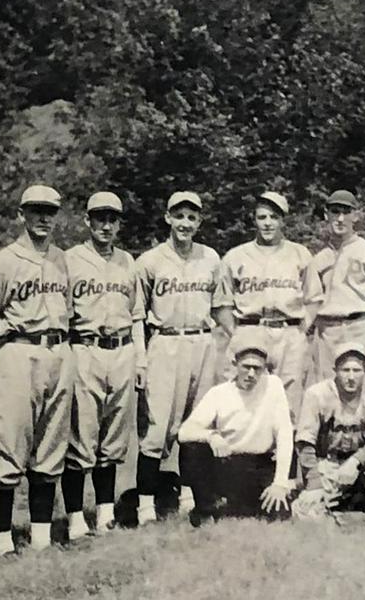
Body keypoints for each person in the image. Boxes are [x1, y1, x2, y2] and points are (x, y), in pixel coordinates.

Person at [0, 185, 74, 556]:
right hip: (18, 350)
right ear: (22, 214)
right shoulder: (3, 262)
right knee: (9, 445)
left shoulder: (62, 259)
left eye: (50, 211)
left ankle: (41, 538)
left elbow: (68, 310)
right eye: (36, 210)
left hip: (58, 350)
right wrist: (1, 366)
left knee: (51, 447)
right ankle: (2, 543)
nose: (43, 218)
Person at [134, 191, 233, 525]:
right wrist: (140, 358)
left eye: (192, 217)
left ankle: (191, 496)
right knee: (157, 426)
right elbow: (137, 315)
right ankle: (145, 505)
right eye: (179, 216)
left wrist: (236, 341)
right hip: (165, 341)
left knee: (198, 422)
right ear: (168, 218)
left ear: (199, 222)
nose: (185, 223)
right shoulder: (149, 261)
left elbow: (221, 307)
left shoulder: (211, 258)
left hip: (202, 342)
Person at [62, 192, 146, 540]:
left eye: (112, 219)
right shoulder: (70, 260)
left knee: (112, 436)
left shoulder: (128, 261)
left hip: (122, 349)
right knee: (81, 434)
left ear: (119, 224)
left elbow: (137, 315)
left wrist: (140, 359)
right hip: (86, 347)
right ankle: (74, 517)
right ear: (88, 221)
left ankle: (105, 513)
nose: (106, 226)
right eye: (100, 218)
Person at [176, 331, 293, 525]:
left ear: (265, 368)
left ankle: (245, 502)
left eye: (257, 368)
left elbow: (284, 433)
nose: (251, 374)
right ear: (235, 364)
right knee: (192, 447)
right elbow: (184, 432)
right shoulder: (219, 393)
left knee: (279, 514)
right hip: (228, 463)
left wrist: (280, 483)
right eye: (246, 367)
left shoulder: (274, 386)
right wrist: (211, 436)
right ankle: (205, 508)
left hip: (259, 463)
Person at [222, 191, 312, 419]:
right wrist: (237, 333)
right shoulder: (236, 256)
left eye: (274, 217)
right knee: (246, 398)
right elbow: (222, 303)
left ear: (283, 220)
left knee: (290, 399)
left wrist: (301, 331)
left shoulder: (299, 254)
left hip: (288, 331)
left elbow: (314, 298)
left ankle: (287, 441)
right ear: (254, 220)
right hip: (251, 328)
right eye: (262, 217)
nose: (268, 223)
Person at [292, 342, 365, 516]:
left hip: (359, 465)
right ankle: (333, 501)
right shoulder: (317, 394)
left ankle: (358, 499)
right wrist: (314, 482)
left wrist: (354, 462)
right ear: (335, 370)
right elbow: (304, 442)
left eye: (357, 370)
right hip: (327, 464)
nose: (351, 377)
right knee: (307, 513)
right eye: (345, 370)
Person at [305, 190, 365, 392]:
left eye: (346, 212)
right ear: (326, 215)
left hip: (362, 325)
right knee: (327, 387)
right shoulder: (318, 259)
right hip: (328, 330)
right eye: (335, 212)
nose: (340, 219)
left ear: (355, 216)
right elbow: (312, 303)